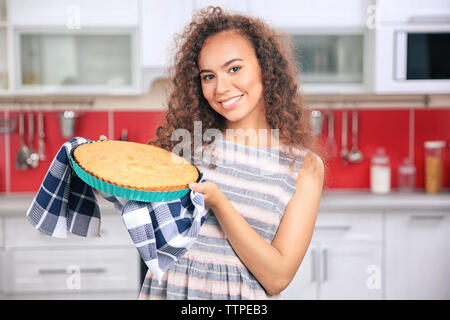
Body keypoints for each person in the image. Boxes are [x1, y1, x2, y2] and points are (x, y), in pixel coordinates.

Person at [102, 6, 325, 300]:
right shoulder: (187, 147)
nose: (221, 88)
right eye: (208, 76)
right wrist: (112, 174)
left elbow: (277, 277)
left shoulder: (302, 166)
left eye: (234, 69)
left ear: (265, 68)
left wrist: (219, 203)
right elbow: (156, 233)